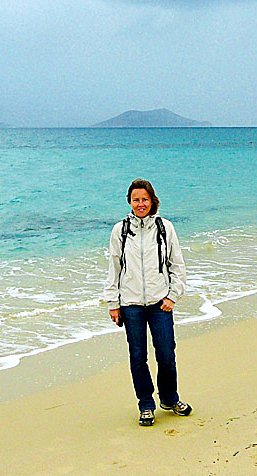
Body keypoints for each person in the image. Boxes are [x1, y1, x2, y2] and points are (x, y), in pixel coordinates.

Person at [104, 178, 192, 426]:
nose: (140, 204)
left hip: (160, 303)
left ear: (152, 200)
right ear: (129, 202)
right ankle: (146, 405)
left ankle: (170, 398)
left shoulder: (165, 228)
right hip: (130, 304)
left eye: (144, 199)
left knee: (166, 354)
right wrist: (113, 302)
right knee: (138, 356)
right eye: (135, 200)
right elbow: (114, 267)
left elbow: (177, 265)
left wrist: (173, 295)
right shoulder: (120, 231)